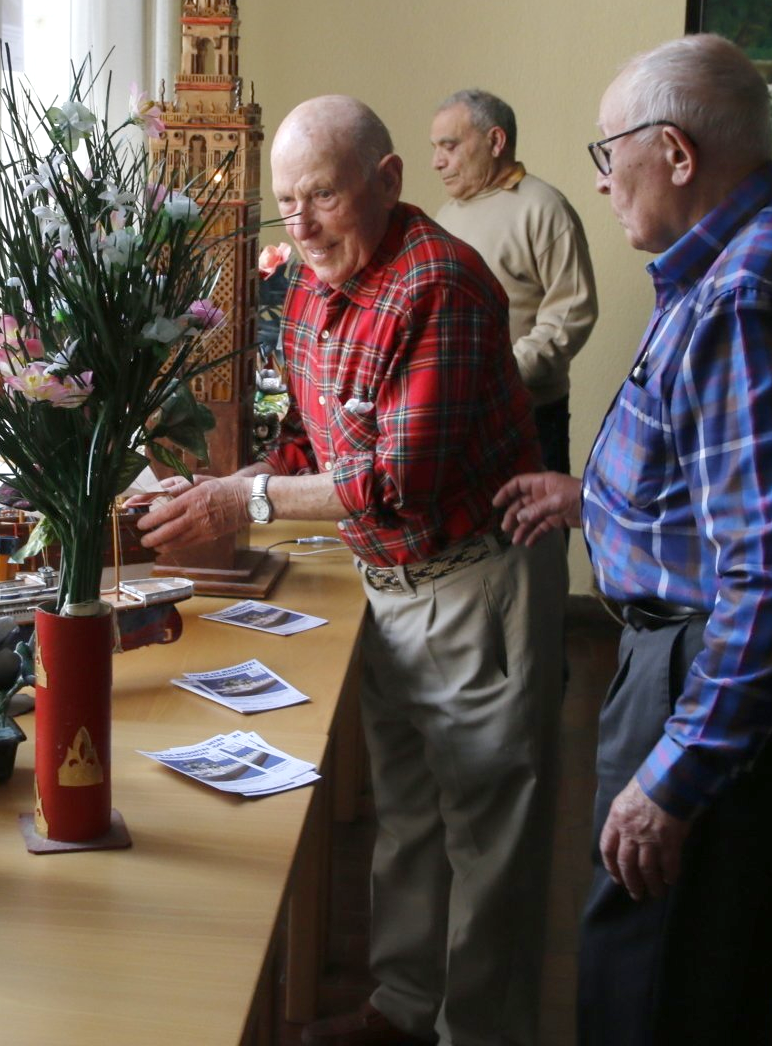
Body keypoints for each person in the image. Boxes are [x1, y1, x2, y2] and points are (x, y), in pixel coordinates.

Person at [495, 34, 772, 1046]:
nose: (599, 180)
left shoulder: (739, 295)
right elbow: (743, 485)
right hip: (752, 649)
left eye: (607, 152)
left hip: (705, 658)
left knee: (652, 964)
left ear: (673, 150)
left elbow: (769, 575)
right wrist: (606, 498)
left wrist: (674, 778)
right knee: (715, 945)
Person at [139, 96, 564, 1046]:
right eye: (287, 202)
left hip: (474, 586)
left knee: (489, 844)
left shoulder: (439, 285)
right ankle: (405, 1010)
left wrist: (236, 505)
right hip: (391, 586)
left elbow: (394, 480)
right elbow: (305, 446)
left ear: (389, 180)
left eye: (323, 195)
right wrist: (216, 486)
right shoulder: (310, 287)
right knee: (411, 817)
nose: (302, 222)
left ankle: (480, 1034)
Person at [430, 88, 597, 472]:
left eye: (449, 146)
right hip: (455, 416)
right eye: (435, 147)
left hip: (528, 414)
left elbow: (571, 313)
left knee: (533, 528)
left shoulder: (544, 208)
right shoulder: (445, 215)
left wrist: (501, 374)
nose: (437, 162)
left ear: (495, 141)